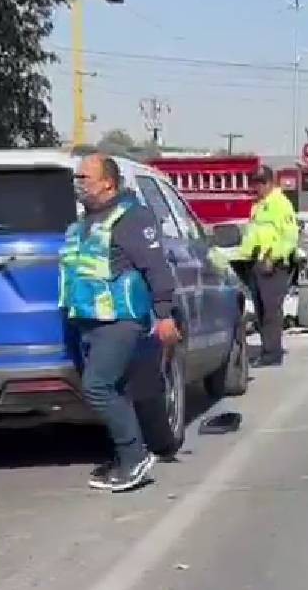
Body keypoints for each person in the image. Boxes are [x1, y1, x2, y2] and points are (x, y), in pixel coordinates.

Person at [62, 154, 181, 492]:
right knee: (118, 389)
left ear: (108, 183)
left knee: (98, 387)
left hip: (120, 319)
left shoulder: (131, 218)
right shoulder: (86, 223)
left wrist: (164, 313)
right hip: (89, 320)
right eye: (77, 178)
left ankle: (134, 458)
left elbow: (156, 268)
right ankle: (129, 453)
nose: (78, 184)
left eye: (85, 178)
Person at [238, 165, 300, 367]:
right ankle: (267, 350)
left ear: (269, 183)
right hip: (256, 264)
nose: (257, 187)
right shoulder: (258, 205)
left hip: (273, 265)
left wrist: (273, 257)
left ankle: (272, 354)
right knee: (261, 310)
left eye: (260, 183)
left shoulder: (281, 204)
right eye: (255, 183)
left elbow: (290, 237)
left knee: (272, 311)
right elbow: (252, 236)